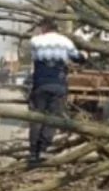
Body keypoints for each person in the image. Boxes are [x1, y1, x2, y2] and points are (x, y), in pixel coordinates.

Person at [27, 17, 87, 169]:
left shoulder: (35, 41)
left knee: (37, 117)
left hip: (40, 84)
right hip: (58, 84)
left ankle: (33, 152)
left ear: (44, 28)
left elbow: (36, 59)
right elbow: (77, 58)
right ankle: (43, 150)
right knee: (53, 118)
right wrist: (84, 55)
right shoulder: (65, 41)